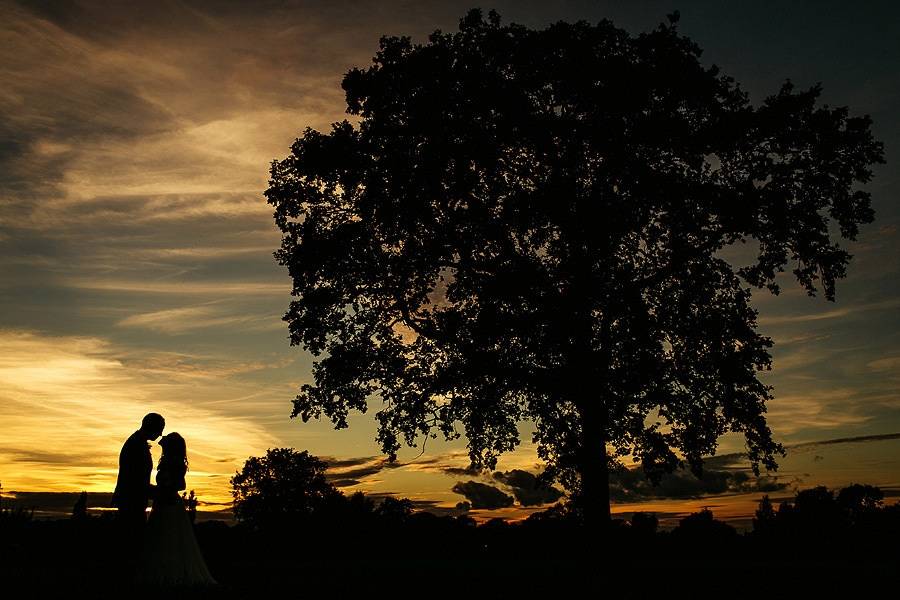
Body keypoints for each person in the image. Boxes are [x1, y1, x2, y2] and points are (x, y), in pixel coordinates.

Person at [137, 432, 216, 587]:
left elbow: (181, 485)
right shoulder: (168, 460)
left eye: (166, 439)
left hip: (169, 502)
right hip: (163, 501)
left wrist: (166, 488)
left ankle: (170, 573)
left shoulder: (174, 462)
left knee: (169, 536)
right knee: (162, 535)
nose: (162, 438)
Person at [113, 413, 165, 554]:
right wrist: (160, 493)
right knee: (132, 544)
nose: (161, 434)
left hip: (133, 500)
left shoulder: (137, 442)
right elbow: (136, 479)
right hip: (131, 501)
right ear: (152, 427)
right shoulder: (136, 445)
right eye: (160, 429)